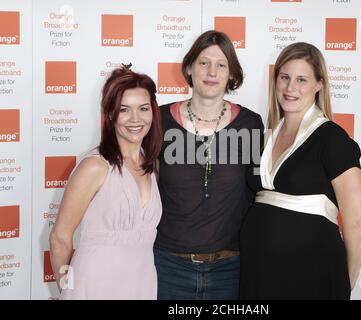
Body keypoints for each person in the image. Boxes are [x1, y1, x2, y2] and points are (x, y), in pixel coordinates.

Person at [240, 42, 361, 299]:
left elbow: (356, 221)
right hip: (258, 273)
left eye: (301, 80)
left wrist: (346, 282)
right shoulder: (265, 137)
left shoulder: (332, 139)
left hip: (312, 275)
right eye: (285, 77)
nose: (290, 88)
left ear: (319, 84)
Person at [154, 30, 264, 300]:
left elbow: (259, 193)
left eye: (221, 64)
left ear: (231, 74)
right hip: (168, 266)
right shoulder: (158, 120)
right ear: (190, 67)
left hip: (230, 268)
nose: (211, 71)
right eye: (204, 62)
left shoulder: (250, 124)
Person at [49, 66, 162, 299]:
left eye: (143, 108)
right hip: (92, 287)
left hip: (142, 286)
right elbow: (60, 238)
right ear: (110, 114)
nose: (135, 119)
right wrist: (68, 289)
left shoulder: (151, 165)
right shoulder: (95, 166)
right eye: (124, 110)